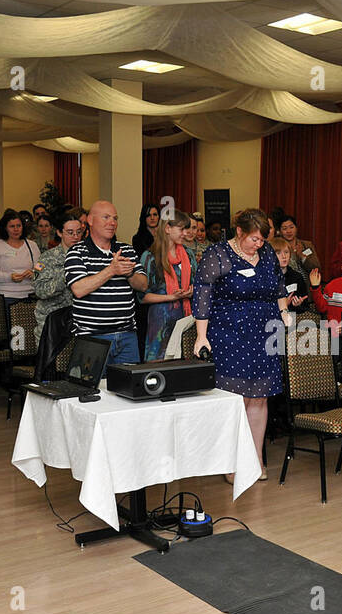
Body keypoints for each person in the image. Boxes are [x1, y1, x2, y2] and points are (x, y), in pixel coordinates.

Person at [191, 208, 289, 479]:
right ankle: (233, 462)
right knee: (237, 399)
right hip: (230, 332)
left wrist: (284, 314)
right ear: (239, 232)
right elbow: (202, 295)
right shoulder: (218, 254)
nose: (258, 245)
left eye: (261, 240)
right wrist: (202, 336)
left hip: (265, 331)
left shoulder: (267, 252)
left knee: (259, 396)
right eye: (253, 240)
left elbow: (279, 287)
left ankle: (254, 459)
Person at [66, 200, 148, 367]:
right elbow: (79, 289)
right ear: (89, 221)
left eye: (115, 218)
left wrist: (129, 272)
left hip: (127, 336)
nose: (112, 223)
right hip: (92, 338)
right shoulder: (77, 252)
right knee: (93, 391)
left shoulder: (126, 250)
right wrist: (111, 270)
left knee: (129, 390)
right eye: (106, 217)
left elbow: (143, 285)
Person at [139, 210, 196, 361]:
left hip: (186, 322)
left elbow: (198, 285)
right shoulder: (150, 257)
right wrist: (172, 296)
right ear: (167, 228)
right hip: (160, 324)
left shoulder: (189, 255)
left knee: (185, 370)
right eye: (181, 229)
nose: (186, 233)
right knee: (159, 370)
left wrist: (191, 291)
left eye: (187, 228)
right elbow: (142, 297)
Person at [32, 215, 85, 339]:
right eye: (70, 232)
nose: (76, 237)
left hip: (81, 320)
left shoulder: (87, 256)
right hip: (52, 321)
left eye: (79, 232)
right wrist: (66, 276)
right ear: (59, 233)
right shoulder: (46, 258)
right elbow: (39, 290)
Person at [0, 209, 40, 301]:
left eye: (19, 226)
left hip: (30, 294)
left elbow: (41, 266)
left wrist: (34, 272)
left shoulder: (32, 245)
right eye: (12, 226)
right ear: (5, 228)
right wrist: (9, 277)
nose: (16, 229)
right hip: (6, 295)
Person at [272, 237, 315, 314]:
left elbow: (305, 306)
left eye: (286, 252)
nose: (284, 256)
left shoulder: (296, 277)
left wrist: (297, 305)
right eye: (278, 253)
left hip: (292, 318)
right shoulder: (266, 277)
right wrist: (282, 305)